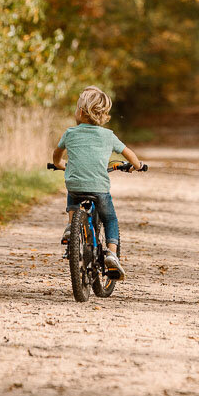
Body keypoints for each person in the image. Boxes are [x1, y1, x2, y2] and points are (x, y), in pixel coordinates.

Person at [51, 86, 144, 279]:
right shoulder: (108, 136)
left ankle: (71, 227)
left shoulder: (70, 133)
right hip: (100, 190)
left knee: (73, 189)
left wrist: (61, 165)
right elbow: (130, 155)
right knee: (110, 219)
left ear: (81, 112)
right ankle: (111, 253)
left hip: (75, 187)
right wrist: (137, 165)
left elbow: (56, 156)